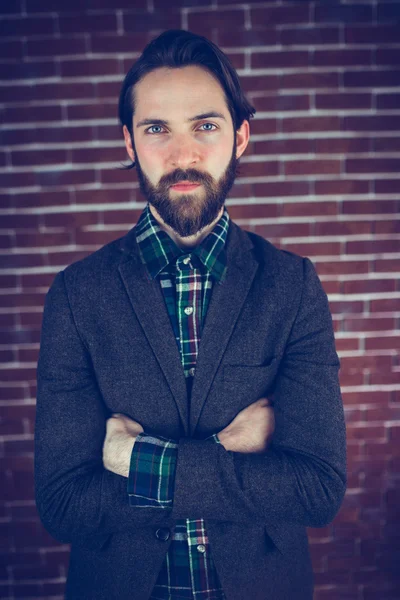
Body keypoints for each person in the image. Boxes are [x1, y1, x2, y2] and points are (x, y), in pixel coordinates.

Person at [34, 29, 347, 600]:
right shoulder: (77, 295)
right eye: (157, 129)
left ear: (241, 136)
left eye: (205, 125)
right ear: (129, 143)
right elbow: (64, 505)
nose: (183, 155)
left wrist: (136, 459)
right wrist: (228, 453)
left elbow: (316, 489)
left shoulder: (293, 286)